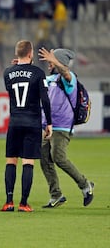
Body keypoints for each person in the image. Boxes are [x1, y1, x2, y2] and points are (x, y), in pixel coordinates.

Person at [38, 47, 95, 208]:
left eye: (51, 61)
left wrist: (55, 60)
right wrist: (21, 67)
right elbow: (36, 80)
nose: (49, 64)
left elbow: (65, 72)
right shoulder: (50, 79)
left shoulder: (69, 80)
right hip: (48, 127)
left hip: (62, 127)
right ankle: (56, 195)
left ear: (59, 62)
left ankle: (85, 185)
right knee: (44, 159)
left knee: (58, 158)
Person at [0, 40, 52, 212]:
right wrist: (49, 123)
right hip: (32, 122)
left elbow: (11, 86)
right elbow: (44, 99)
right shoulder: (38, 73)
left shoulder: (7, 72)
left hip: (14, 122)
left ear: (17, 54)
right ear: (30, 54)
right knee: (28, 162)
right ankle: (23, 203)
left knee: (11, 161)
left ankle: (9, 201)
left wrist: (18, 68)